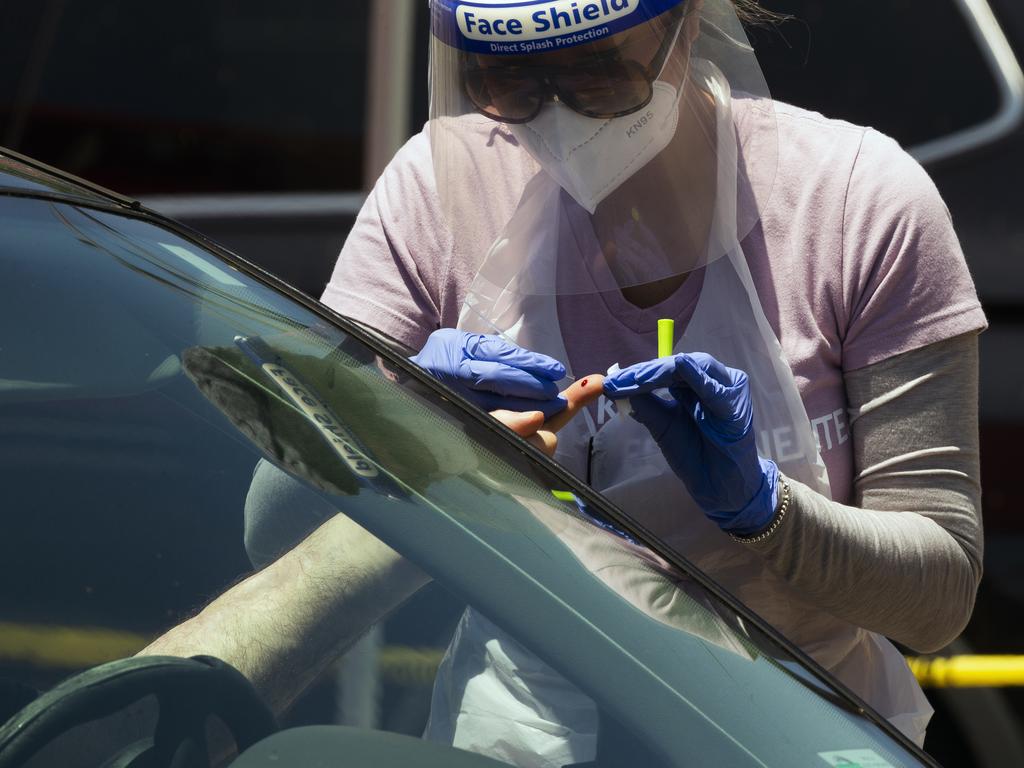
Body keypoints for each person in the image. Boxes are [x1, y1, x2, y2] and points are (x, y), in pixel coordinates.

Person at [145, 0, 984, 761]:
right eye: (509, 81)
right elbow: (275, 531)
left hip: (786, 732)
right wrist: (391, 419)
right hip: (516, 737)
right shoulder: (438, 194)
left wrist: (767, 514)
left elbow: (938, 597)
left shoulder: (854, 203)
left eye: (596, 73)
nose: (557, 113)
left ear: (686, 25)